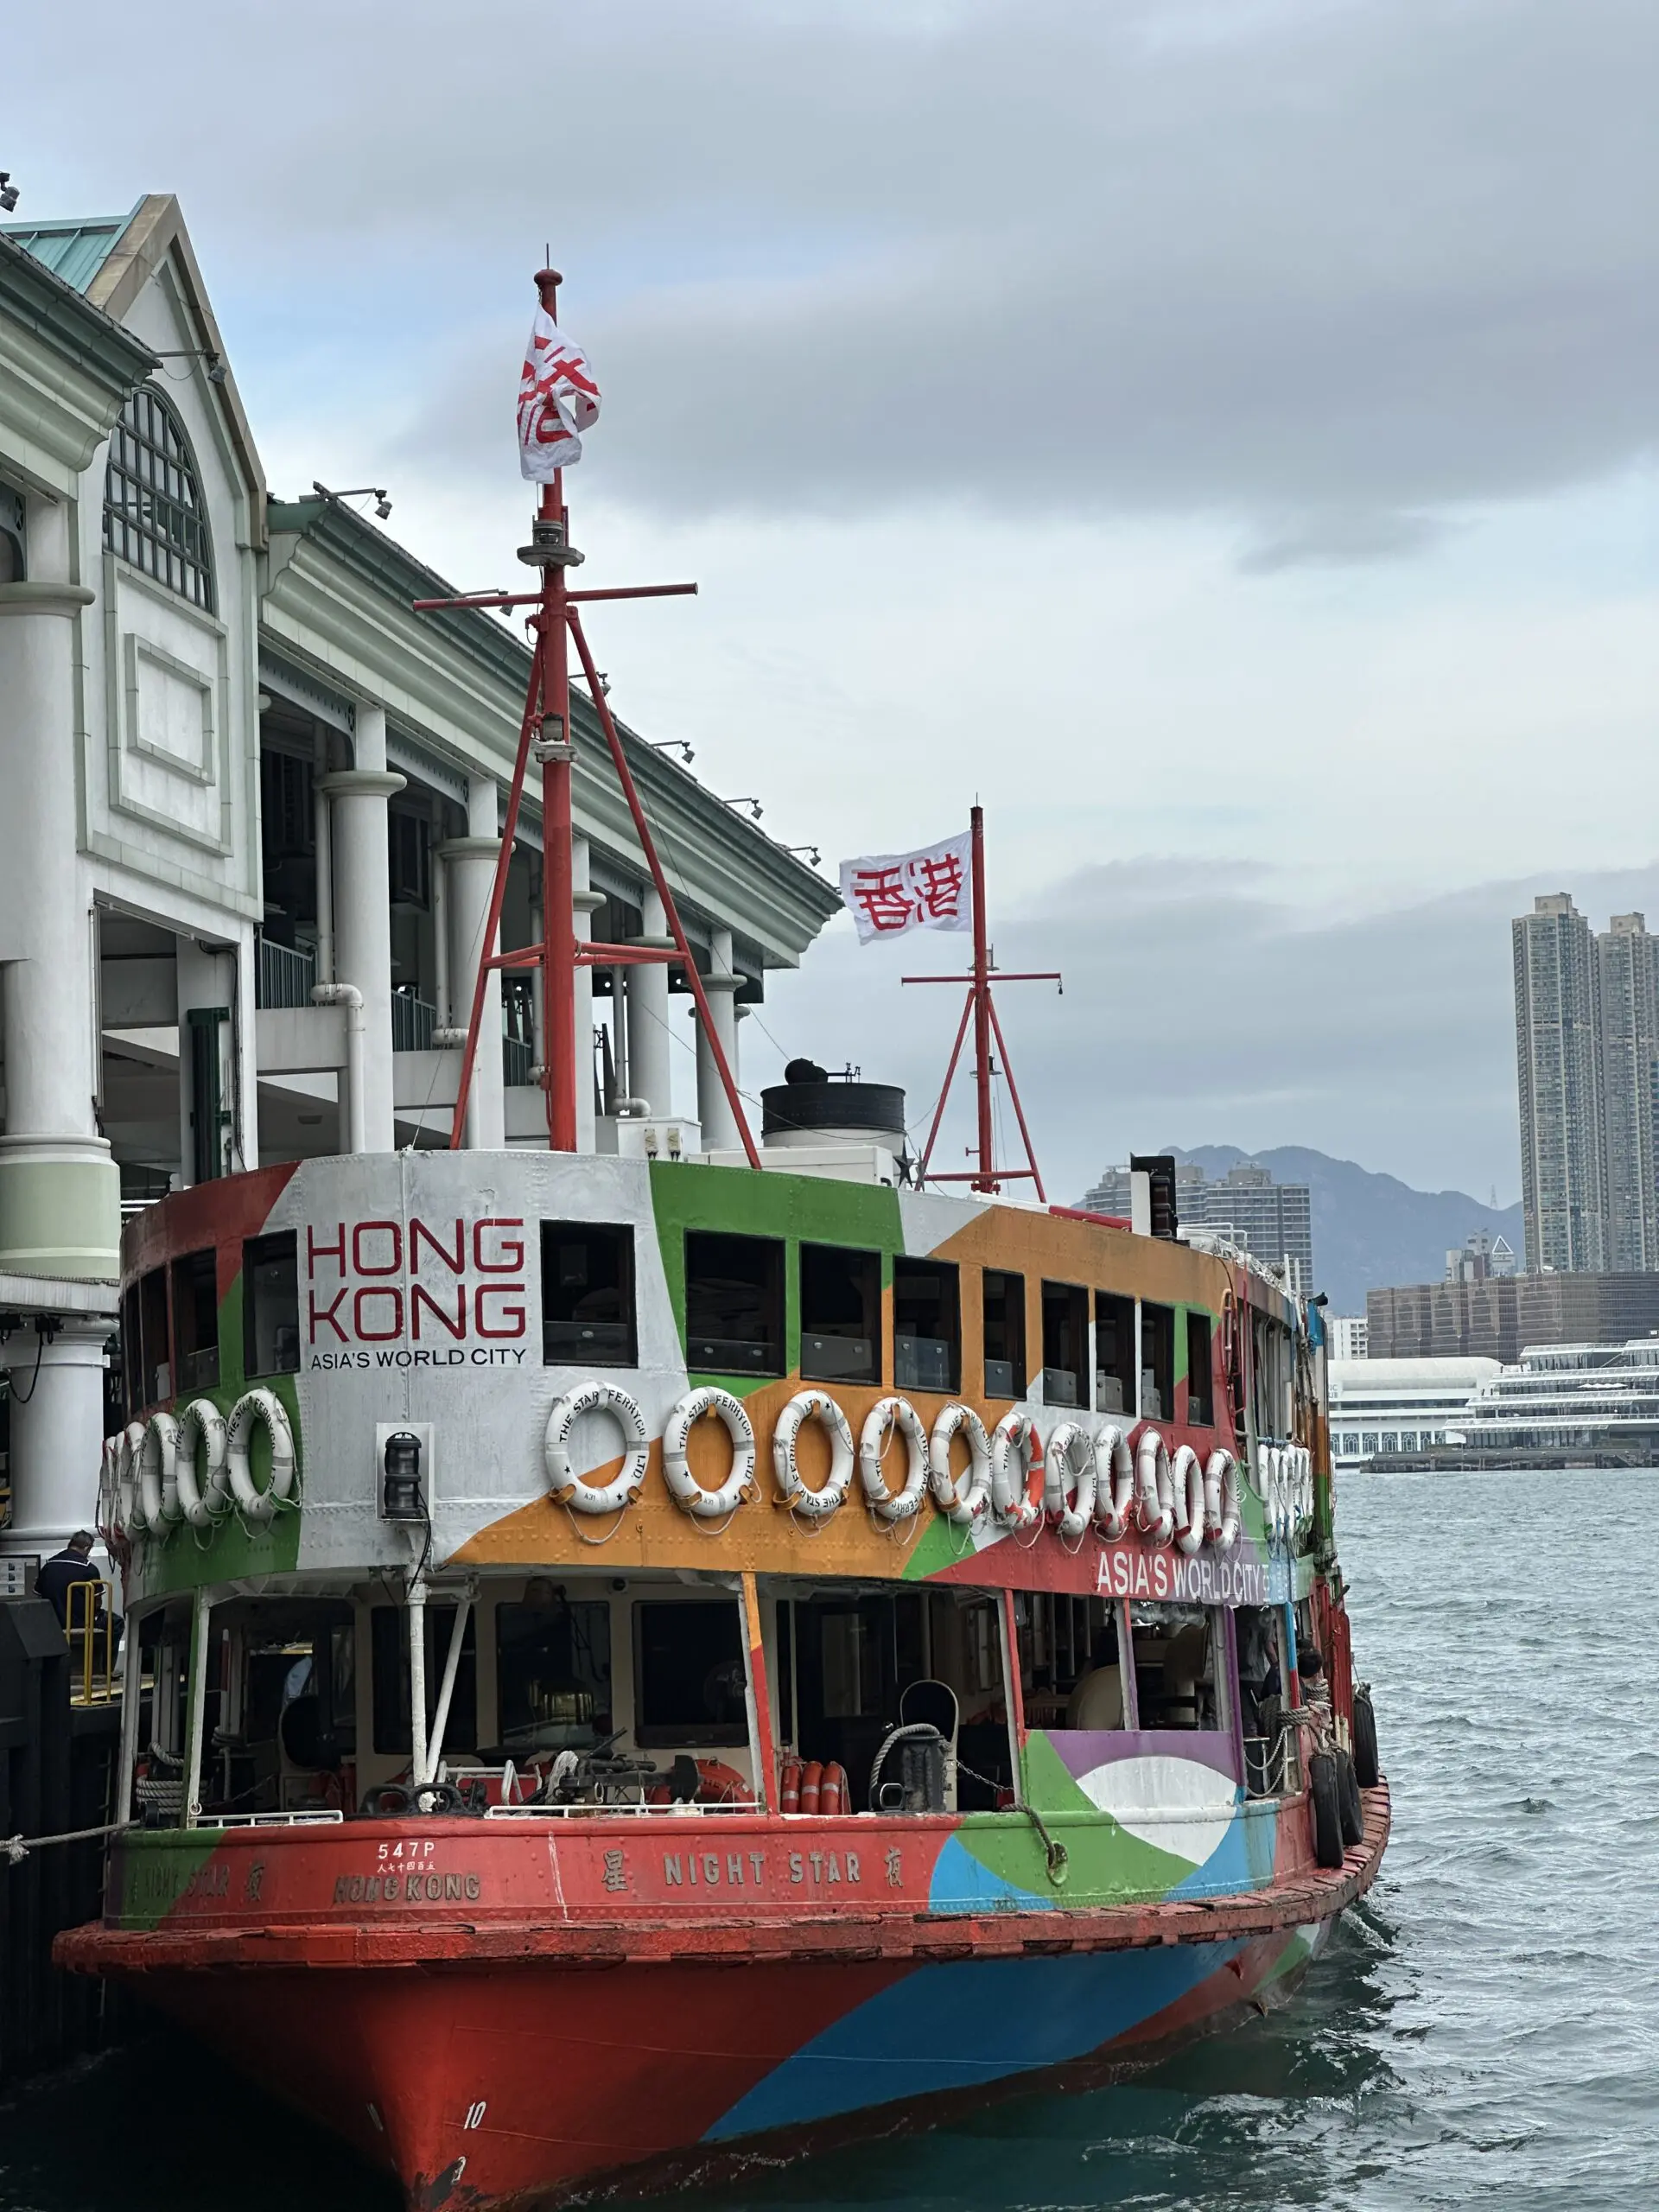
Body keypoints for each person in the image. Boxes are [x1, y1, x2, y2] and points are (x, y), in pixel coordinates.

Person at [35, 1531, 104, 1631]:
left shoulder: (48, 1565)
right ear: (87, 1548)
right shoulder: (88, 1568)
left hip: (51, 1624)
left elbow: (37, 1596)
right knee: (116, 1622)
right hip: (80, 1624)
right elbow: (97, 1602)